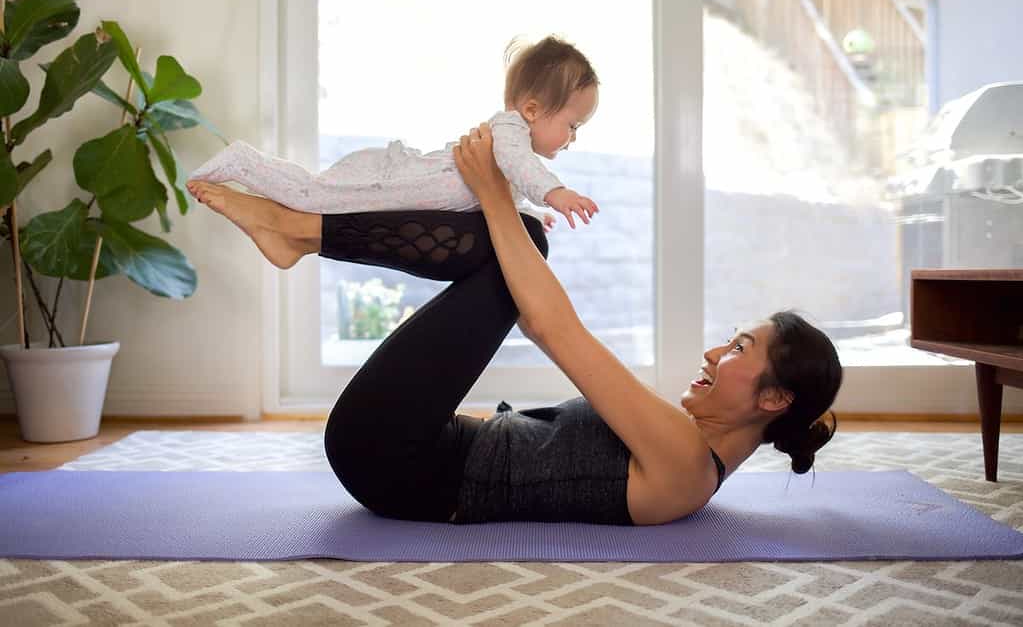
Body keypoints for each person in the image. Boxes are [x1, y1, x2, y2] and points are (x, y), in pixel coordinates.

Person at [185, 124, 843, 526]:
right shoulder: (687, 457)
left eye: (737, 348)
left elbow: (552, 328)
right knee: (519, 238)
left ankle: (300, 229)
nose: (712, 350)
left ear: (774, 397)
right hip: (408, 450)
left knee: (520, 238)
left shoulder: (684, 463)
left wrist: (495, 192)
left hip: (393, 460)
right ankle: (299, 231)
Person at [187, 35, 600, 232]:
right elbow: (517, 165)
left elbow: (503, 189)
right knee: (310, 195)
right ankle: (243, 162)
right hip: (391, 178)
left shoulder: (515, 150)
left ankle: (280, 225)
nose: (573, 138)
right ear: (531, 110)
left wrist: (533, 211)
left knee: (313, 203)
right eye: (572, 125)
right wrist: (555, 193)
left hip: (399, 191)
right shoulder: (510, 129)